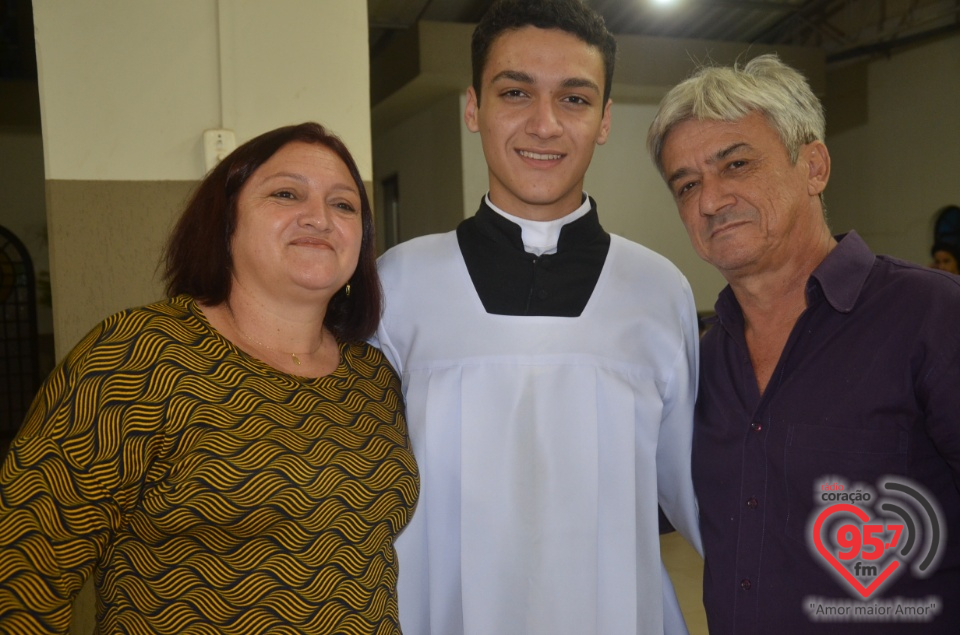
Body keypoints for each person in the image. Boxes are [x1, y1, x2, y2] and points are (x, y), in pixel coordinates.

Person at [0, 123, 419, 634]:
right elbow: (21, 572)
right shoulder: (141, 355)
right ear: (225, 224)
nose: (319, 218)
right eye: (286, 193)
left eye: (344, 205)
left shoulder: (371, 376)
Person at [375, 1, 702, 633]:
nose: (544, 124)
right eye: (516, 92)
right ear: (474, 108)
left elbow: (696, 495)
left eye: (574, 99)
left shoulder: (659, 290)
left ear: (605, 121)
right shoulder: (399, 285)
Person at [647, 54, 960, 634]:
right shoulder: (702, 362)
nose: (710, 200)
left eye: (736, 164)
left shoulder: (934, 318)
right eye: (687, 184)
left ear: (814, 166)